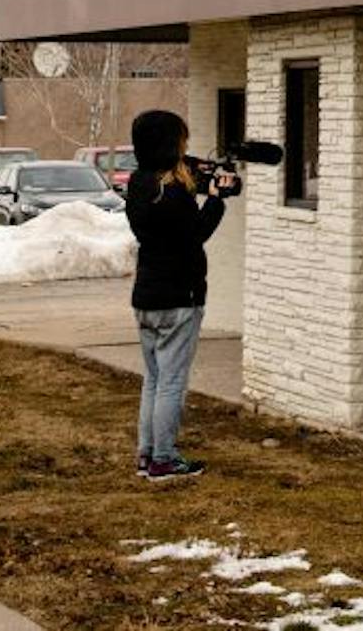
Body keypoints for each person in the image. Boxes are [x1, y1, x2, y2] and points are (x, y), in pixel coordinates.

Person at [125, 109, 235, 485]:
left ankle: (147, 454)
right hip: (179, 298)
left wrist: (205, 179)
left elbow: (179, 182)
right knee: (171, 382)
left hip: (146, 297)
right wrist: (217, 198)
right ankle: (164, 460)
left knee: (154, 379)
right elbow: (196, 233)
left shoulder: (140, 184)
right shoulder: (173, 194)